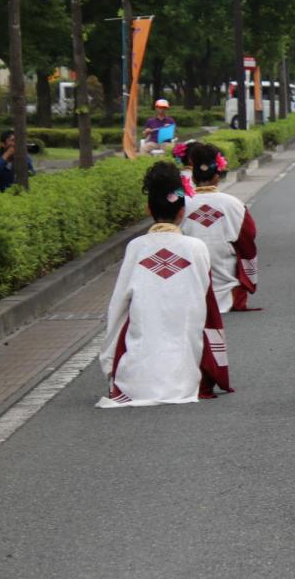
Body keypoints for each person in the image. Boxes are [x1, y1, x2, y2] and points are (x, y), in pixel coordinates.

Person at [97, 161, 231, 408]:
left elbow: (118, 309)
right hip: (185, 369)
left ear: (149, 208)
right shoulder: (196, 248)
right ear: (183, 211)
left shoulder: (136, 248)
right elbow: (209, 308)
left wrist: (109, 363)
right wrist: (217, 366)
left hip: (136, 374)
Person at [181, 142, 259, 313]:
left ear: (193, 177)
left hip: (190, 293)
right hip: (228, 292)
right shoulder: (234, 205)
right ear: (217, 176)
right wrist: (251, 279)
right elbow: (247, 243)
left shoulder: (181, 207)